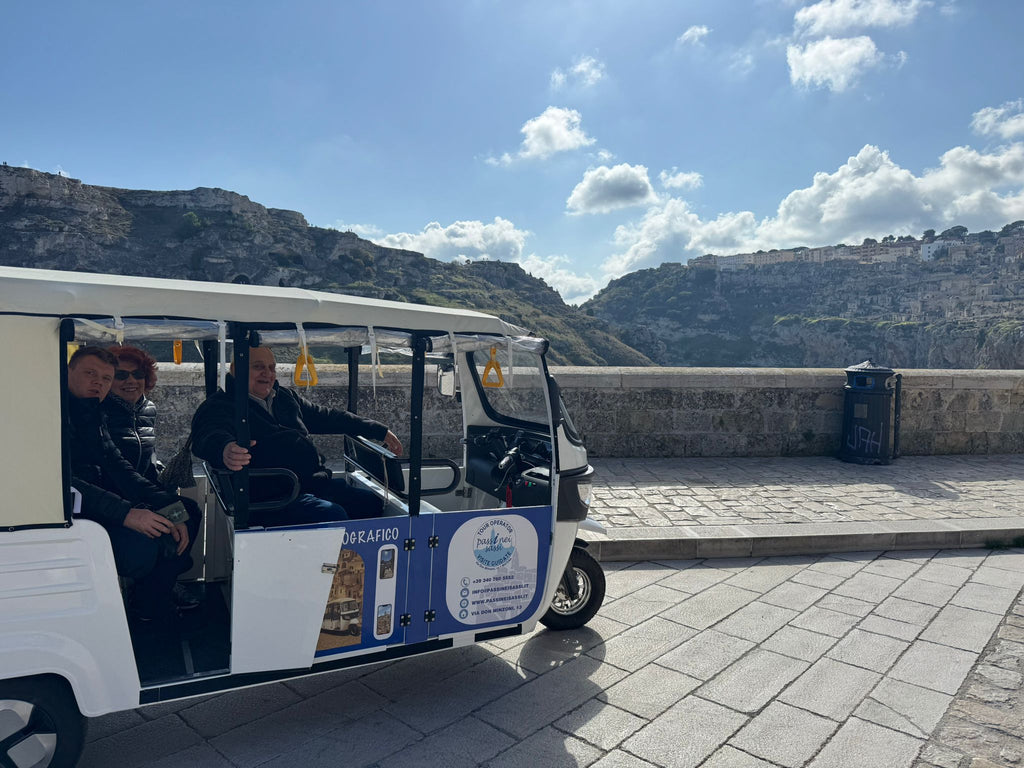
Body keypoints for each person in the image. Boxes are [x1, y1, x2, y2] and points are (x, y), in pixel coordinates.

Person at [191, 345, 403, 526]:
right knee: (331, 514)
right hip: (272, 499)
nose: (268, 374)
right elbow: (207, 435)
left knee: (369, 502)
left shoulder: (284, 397)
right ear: (237, 370)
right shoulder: (220, 405)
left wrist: (377, 430)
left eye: (271, 368)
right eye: (258, 367)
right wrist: (225, 449)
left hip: (312, 485)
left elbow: (327, 417)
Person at [66, 346, 199, 622]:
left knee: (187, 512)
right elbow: (64, 481)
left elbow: (122, 469)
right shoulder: (55, 416)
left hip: (120, 504)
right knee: (144, 547)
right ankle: (146, 603)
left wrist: (170, 507)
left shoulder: (92, 414)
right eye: (91, 373)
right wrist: (127, 513)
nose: (98, 382)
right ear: (67, 372)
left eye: (105, 377)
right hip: (79, 515)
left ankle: (153, 597)